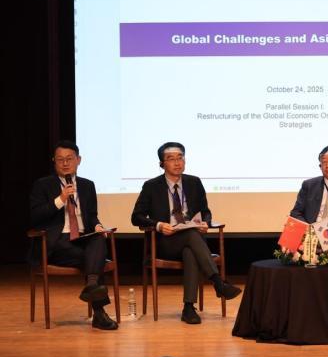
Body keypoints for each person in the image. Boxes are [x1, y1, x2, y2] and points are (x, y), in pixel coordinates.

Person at [131, 142, 241, 324]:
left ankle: (189, 308)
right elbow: (136, 217)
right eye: (171, 159)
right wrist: (159, 225)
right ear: (161, 164)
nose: (177, 162)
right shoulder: (151, 186)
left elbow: (205, 211)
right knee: (192, 236)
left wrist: (205, 222)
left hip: (192, 241)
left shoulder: (194, 182)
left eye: (180, 157)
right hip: (165, 242)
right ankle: (218, 282)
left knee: (190, 250)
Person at [29, 140, 118, 330]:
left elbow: (91, 216)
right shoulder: (42, 185)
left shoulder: (87, 185)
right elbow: (35, 216)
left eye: (69, 159)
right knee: (96, 259)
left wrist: (97, 226)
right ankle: (99, 313)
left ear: (79, 160)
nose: (65, 163)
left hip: (82, 239)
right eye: (60, 159)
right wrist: (60, 199)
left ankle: (92, 285)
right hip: (56, 242)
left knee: (98, 238)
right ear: (54, 161)